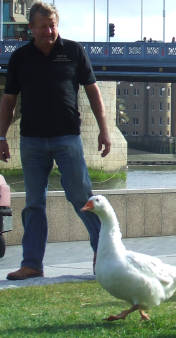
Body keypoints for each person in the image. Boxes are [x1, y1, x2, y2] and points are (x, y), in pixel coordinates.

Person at [0, 2, 111, 280]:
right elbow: (9, 101)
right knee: (34, 203)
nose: (50, 31)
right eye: (44, 26)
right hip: (32, 141)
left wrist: (104, 129)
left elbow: (93, 92)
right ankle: (32, 263)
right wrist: (1, 136)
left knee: (82, 198)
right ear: (32, 29)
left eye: (53, 25)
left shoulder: (73, 51)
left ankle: (105, 254)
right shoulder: (20, 58)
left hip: (67, 138)